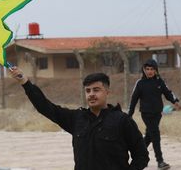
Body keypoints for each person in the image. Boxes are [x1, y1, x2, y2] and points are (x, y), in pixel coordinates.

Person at [8, 66, 149, 170]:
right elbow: (45, 107)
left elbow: (141, 155)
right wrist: (25, 83)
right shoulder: (77, 119)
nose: (91, 94)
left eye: (96, 90)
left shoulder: (122, 121)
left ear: (107, 91)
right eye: (88, 91)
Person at [128, 59, 181, 170]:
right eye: (147, 69)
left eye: (152, 69)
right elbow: (134, 99)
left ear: (156, 70)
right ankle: (160, 161)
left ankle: (138, 156)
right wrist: (130, 114)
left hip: (157, 113)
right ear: (144, 70)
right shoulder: (140, 83)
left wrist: (175, 101)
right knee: (155, 135)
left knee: (149, 137)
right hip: (146, 114)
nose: (149, 71)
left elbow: (168, 92)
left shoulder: (159, 81)